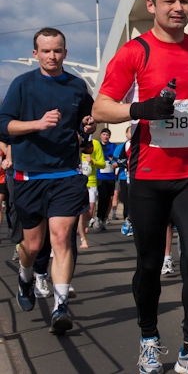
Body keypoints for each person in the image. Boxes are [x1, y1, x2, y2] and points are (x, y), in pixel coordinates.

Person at [92, 0, 188, 374]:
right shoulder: (135, 52)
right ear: (152, 6)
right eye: (170, 1)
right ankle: (149, 338)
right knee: (149, 264)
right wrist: (141, 110)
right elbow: (101, 107)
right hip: (148, 173)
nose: (178, 8)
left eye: (184, 0)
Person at [0, 27, 96, 336]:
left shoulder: (77, 86)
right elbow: (4, 125)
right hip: (30, 174)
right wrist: (37, 124)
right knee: (33, 243)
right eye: (46, 51)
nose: (52, 56)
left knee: (60, 237)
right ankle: (26, 276)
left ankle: (60, 306)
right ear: (35, 53)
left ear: (65, 53)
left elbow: (88, 118)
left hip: (66, 173)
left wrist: (89, 123)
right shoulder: (22, 85)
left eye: (57, 50)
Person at [79, 137, 105, 248]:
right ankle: (83, 238)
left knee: (89, 214)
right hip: (77, 183)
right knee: (80, 213)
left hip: (91, 182)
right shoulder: (73, 143)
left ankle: (85, 222)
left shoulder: (96, 144)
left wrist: (92, 161)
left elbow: (102, 164)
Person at [94, 128, 116, 229]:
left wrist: (113, 159)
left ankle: (103, 218)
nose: (105, 137)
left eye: (107, 135)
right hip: (100, 175)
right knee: (102, 197)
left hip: (110, 176)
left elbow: (116, 157)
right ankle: (98, 217)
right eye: (104, 135)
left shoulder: (113, 146)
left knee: (108, 198)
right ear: (100, 136)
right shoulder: (96, 145)